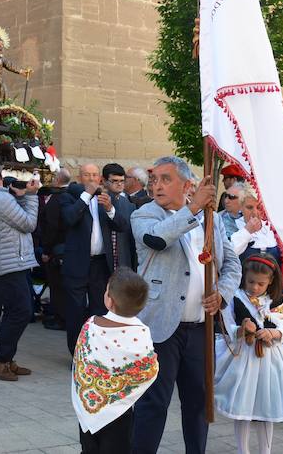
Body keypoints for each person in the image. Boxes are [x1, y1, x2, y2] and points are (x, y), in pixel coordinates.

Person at [130, 156, 241, 454]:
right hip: (160, 327)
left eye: (166, 179)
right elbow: (157, 239)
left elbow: (231, 264)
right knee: (153, 404)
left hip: (200, 329)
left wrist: (222, 293)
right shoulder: (144, 215)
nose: (157, 185)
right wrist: (193, 209)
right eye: (154, 179)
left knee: (198, 403)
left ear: (187, 184)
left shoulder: (212, 218)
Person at [215, 254, 283, 454]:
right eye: (251, 281)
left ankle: (265, 451)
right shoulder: (235, 297)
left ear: (271, 281)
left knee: (267, 408)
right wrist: (241, 329)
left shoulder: (275, 300)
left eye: (261, 283)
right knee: (242, 408)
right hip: (243, 359)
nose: (255, 287)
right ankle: (243, 450)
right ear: (244, 277)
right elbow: (226, 327)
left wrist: (273, 332)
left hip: (271, 360)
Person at [72, 269, 159, 454]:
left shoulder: (91, 324)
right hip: (120, 411)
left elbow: (81, 359)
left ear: (109, 300)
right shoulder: (141, 332)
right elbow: (148, 369)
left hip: (89, 410)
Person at [0, 159, 39, 381]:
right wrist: (31, 196)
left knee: (17, 310)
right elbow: (29, 224)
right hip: (9, 261)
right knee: (21, 311)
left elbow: (16, 221)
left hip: (9, 260)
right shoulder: (0, 198)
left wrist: (20, 197)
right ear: (0, 175)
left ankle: (6, 357)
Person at [60, 163, 131, 354]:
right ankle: (76, 353)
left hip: (100, 264)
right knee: (75, 309)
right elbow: (69, 218)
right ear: (80, 177)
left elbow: (122, 225)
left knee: (99, 309)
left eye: (94, 175)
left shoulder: (105, 198)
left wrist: (109, 209)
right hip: (77, 263)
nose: (91, 179)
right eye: (86, 175)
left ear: (99, 177)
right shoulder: (70, 196)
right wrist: (86, 196)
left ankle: (95, 351)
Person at [39, 168, 71, 330]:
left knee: (57, 286)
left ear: (57, 180)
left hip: (57, 250)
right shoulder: (74, 196)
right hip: (71, 248)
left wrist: (46, 250)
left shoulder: (56, 199)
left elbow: (51, 227)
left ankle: (61, 319)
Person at [229, 185, 280, 265]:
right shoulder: (232, 226)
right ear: (241, 207)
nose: (255, 213)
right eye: (249, 207)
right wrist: (247, 231)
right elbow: (228, 254)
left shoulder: (272, 228)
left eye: (259, 208)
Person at [103, 163, 138, 270]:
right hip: (103, 262)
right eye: (115, 181)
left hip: (124, 262)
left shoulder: (129, 204)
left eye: (122, 181)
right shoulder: (98, 202)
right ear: (104, 181)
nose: (119, 184)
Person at [0, 36, 31, 104]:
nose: (1, 45)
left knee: (2, 99)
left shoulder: (2, 58)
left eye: (2, 44)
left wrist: (22, 71)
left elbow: (10, 65)